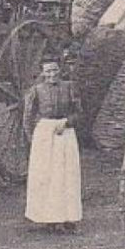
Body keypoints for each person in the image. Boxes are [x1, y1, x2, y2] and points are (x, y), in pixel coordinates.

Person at [22, 61, 83, 230]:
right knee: (46, 174)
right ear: (43, 73)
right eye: (48, 71)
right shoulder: (36, 90)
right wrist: (32, 137)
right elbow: (28, 116)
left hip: (65, 133)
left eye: (55, 70)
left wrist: (67, 122)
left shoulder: (70, 87)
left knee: (66, 174)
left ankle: (68, 218)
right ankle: (48, 218)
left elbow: (79, 112)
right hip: (44, 134)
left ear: (60, 71)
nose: (52, 74)